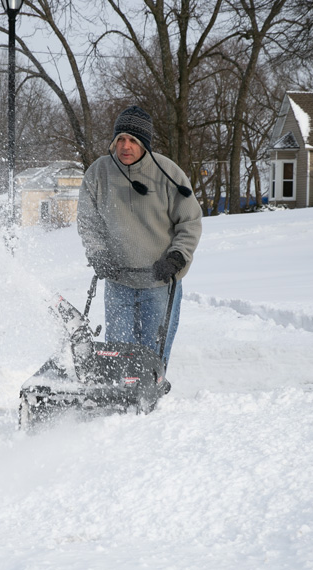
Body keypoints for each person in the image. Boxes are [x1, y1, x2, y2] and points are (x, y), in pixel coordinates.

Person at [77, 105, 202, 373]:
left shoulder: (168, 173)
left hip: (159, 279)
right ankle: (119, 401)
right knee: (118, 351)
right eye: (120, 138)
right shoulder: (98, 173)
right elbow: (88, 222)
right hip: (119, 279)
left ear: (144, 143)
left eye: (133, 140)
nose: (125, 146)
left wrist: (176, 257)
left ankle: (150, 399)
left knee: (152, 350)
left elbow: (190, 222)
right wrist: (99, 254)